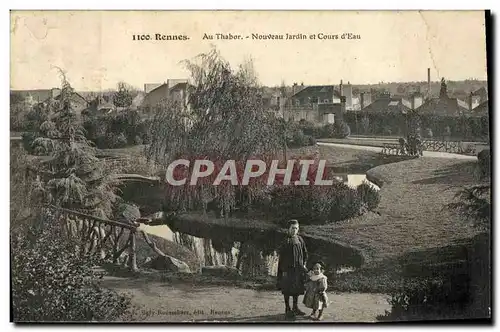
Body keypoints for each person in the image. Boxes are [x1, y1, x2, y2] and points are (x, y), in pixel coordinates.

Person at [276, 219, 308, 318]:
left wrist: (304, 264)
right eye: (293, 228)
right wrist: (283, 270)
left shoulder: (300, 239)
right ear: (288, 229)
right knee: (287, 289)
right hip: (287, 269)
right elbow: (281, 257)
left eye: (296, 228)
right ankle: (287, 308)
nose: (295, 230)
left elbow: (305, 253)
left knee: (296, 288)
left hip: (298, 269)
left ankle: (295, 307)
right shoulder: (286, 240)